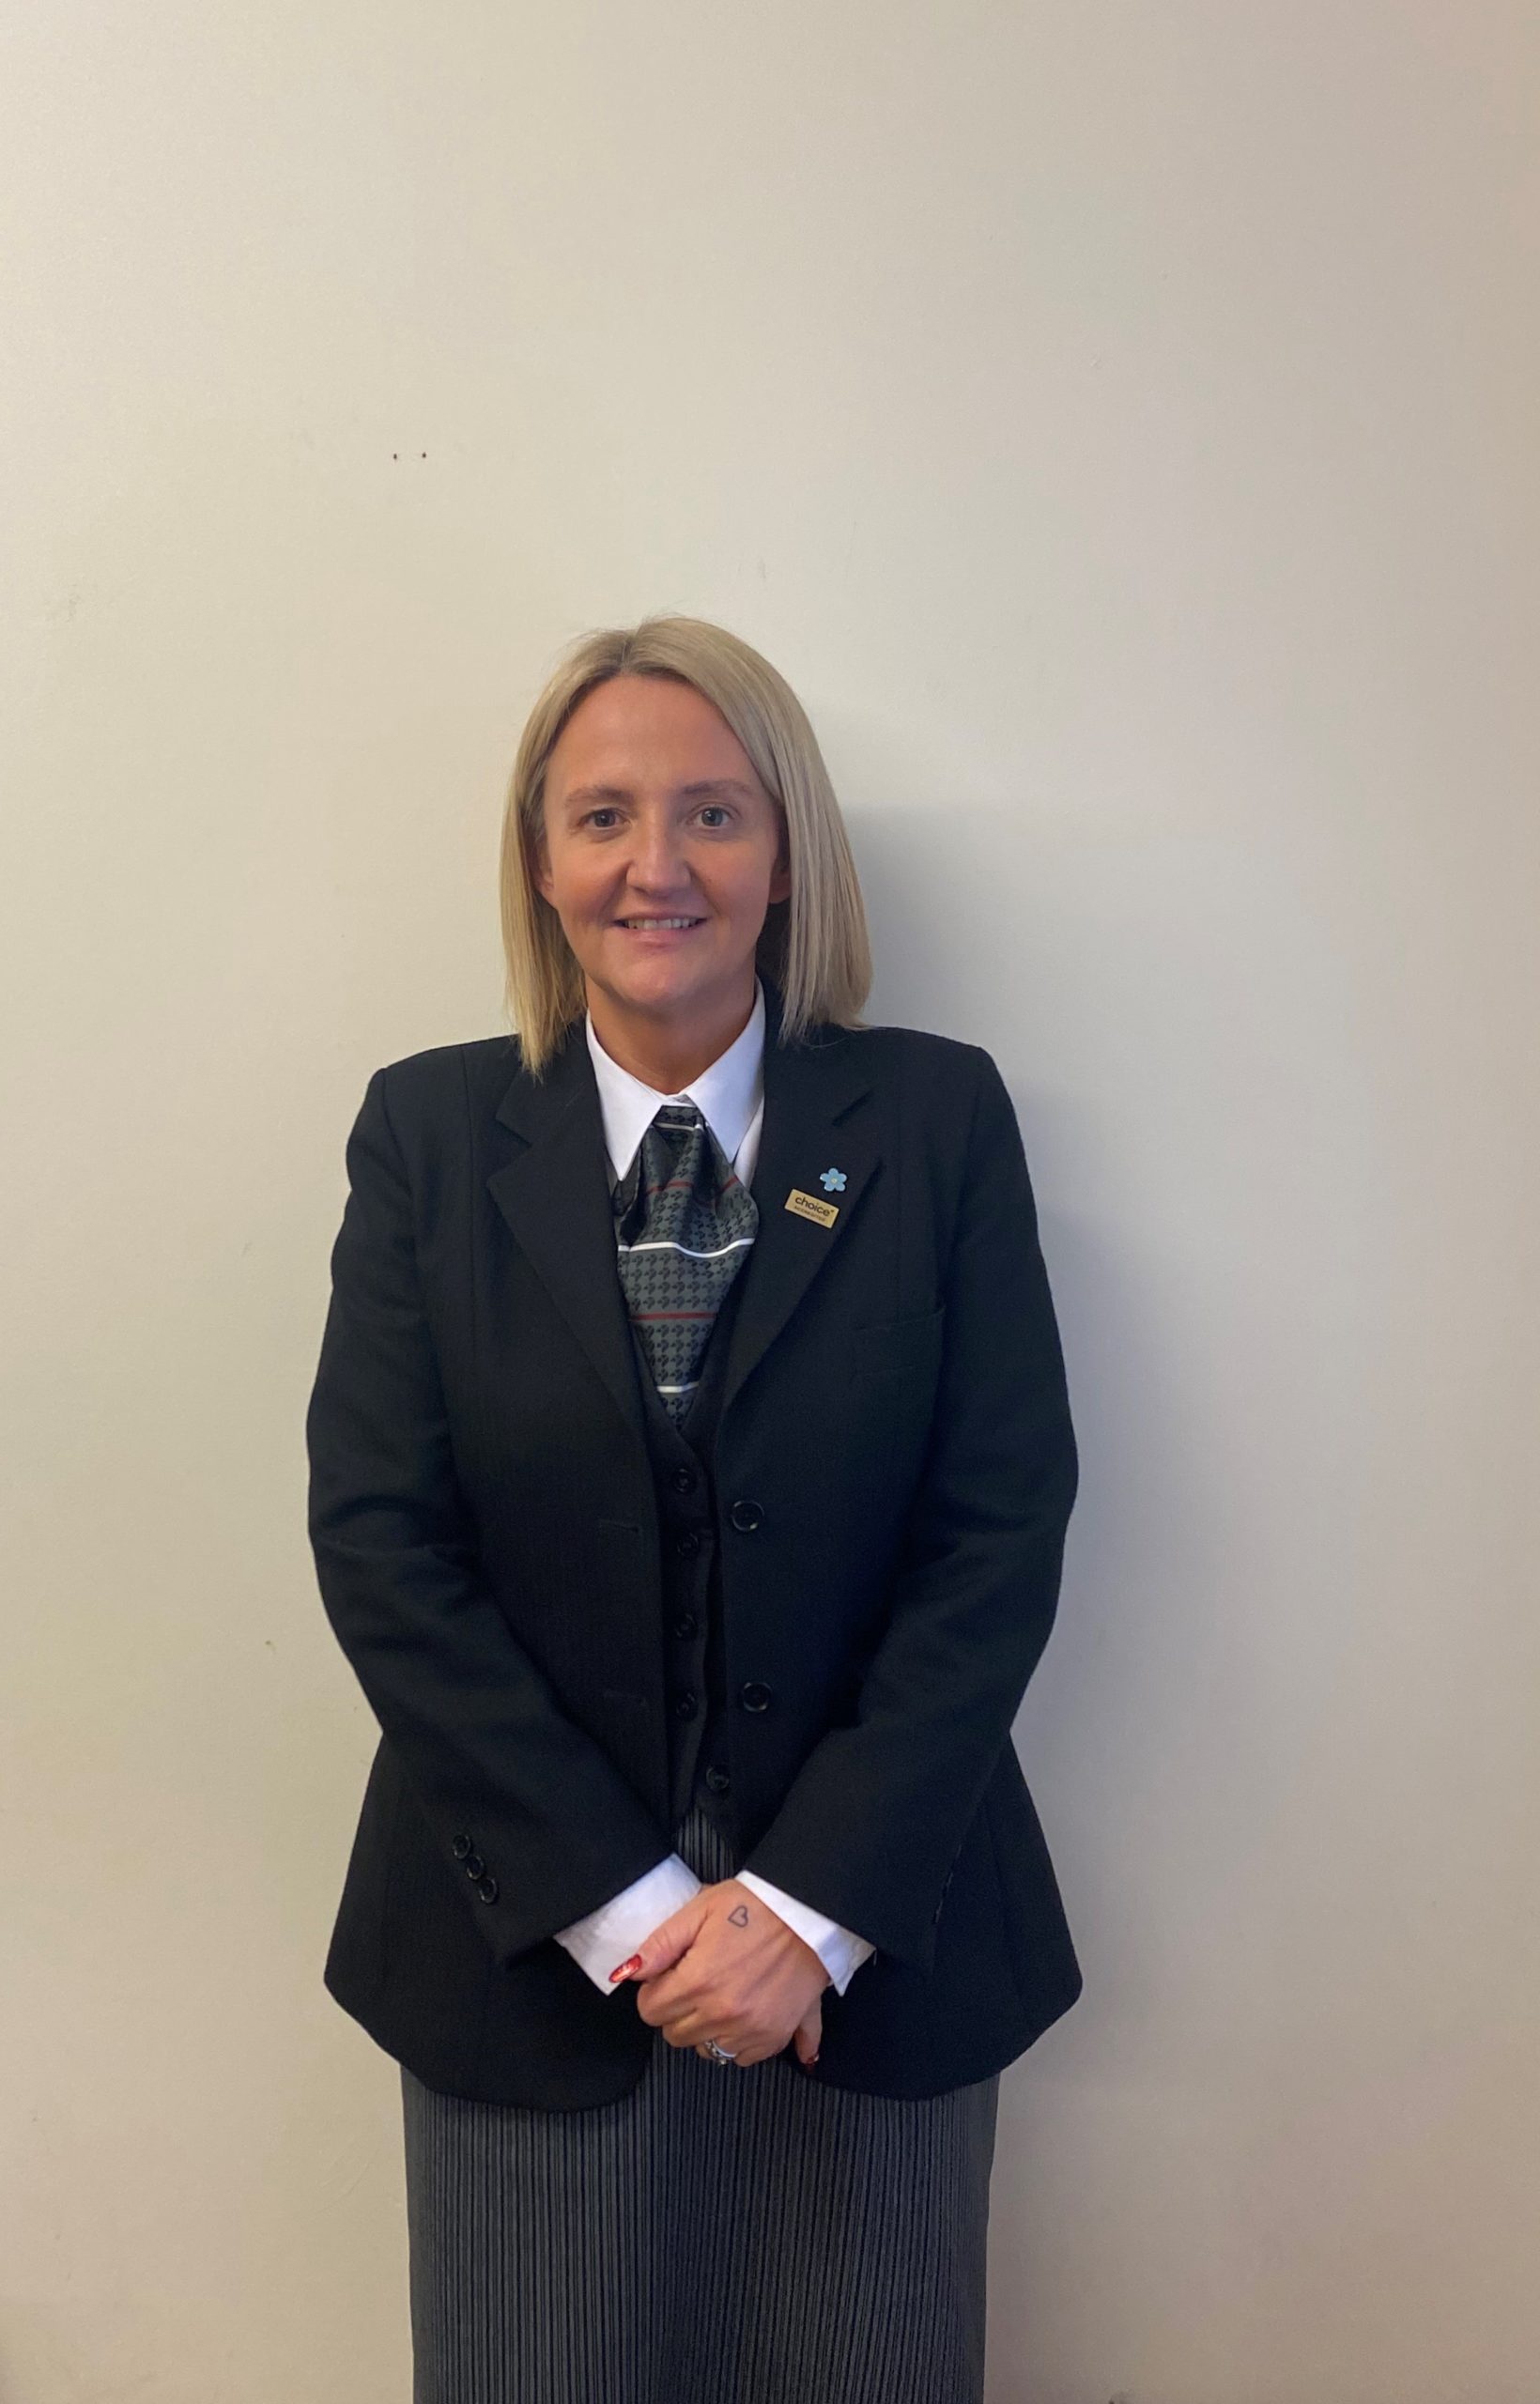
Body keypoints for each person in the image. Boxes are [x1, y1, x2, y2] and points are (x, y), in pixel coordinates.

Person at [304, 613, 1081, 2404]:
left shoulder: (936, 1118)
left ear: (788, 854)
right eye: (604, 816)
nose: (657, 864)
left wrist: (803, 1911)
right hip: (527, 1956)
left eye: (715, 813)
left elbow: (996, 1531)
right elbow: (384, 1546)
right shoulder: (429, 1136)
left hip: (870, 1956)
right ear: (541, 862)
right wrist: (632, 1908)